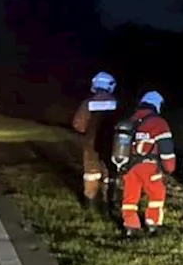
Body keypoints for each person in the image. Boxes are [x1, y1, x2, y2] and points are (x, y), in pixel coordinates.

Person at [117, 91, 176, 235]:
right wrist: (169, 168)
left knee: (130, 196)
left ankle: (131, 226)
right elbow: (166, 149)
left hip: (129, 166)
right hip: (149, 167)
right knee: (157, 194)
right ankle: (153, 224)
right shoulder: (159, 123)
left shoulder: (130, 120)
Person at [71, 71, 119, 210]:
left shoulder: (88, 103)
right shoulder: (116, 103)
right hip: (111, 144)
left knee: (91, 173)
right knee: (109, 171)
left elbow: (78, 125)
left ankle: (90, 203)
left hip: (91, 144)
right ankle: (108, 203)